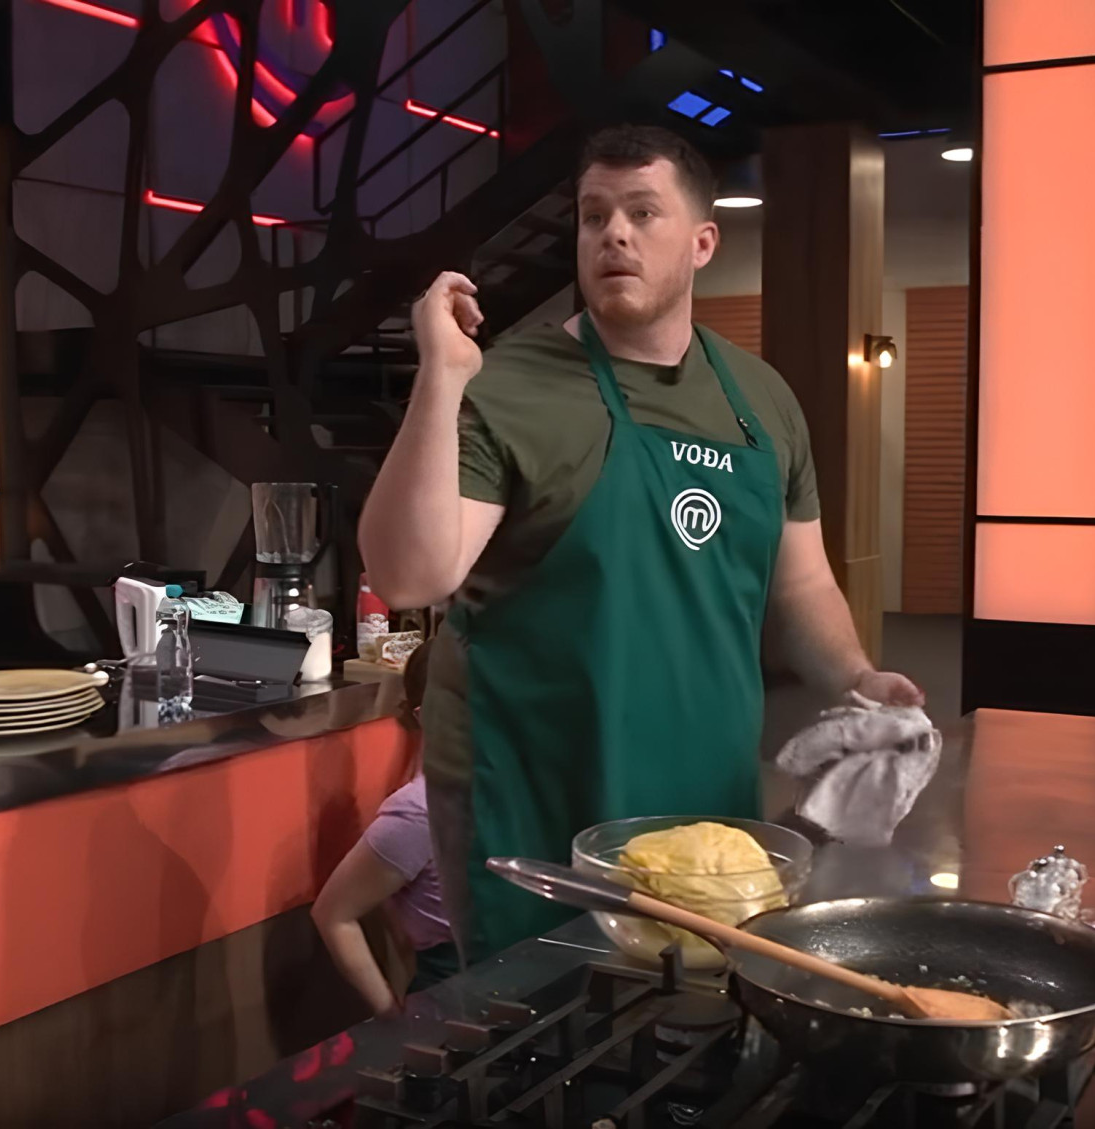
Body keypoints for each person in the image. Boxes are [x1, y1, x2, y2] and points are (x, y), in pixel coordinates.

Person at [358, 123, 922, 961]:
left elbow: (800, 584)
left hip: (705, 781)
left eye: (642, 213)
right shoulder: (509, 385)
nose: (613, 234)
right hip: (536, 783)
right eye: (594, 216)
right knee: (542, 1013)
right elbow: (409, 574)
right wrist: (440, 377)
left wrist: (858, 677)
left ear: (703, 243)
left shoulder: (762, 399)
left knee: (695, 996)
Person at [310, 644, 458, 1017]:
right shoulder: (418, 812)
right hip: (451, 1004)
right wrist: (392, 1017)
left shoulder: (509, 787)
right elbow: (333, 915)